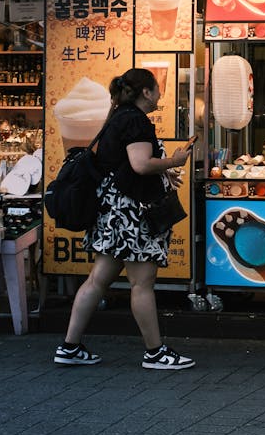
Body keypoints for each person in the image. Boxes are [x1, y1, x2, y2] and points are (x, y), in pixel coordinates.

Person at [56, 68, 196, 370]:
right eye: (156, 88)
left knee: (97, 279)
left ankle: (69, 346)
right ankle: (155, 353)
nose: (160, 94)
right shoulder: (135, 120)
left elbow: (126, 165)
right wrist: (174, 160)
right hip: (130, 214)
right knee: (142, 282)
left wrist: (163, 171)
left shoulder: (118, 116)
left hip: (111, 211)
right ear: (146, 92)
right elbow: (140, 164)